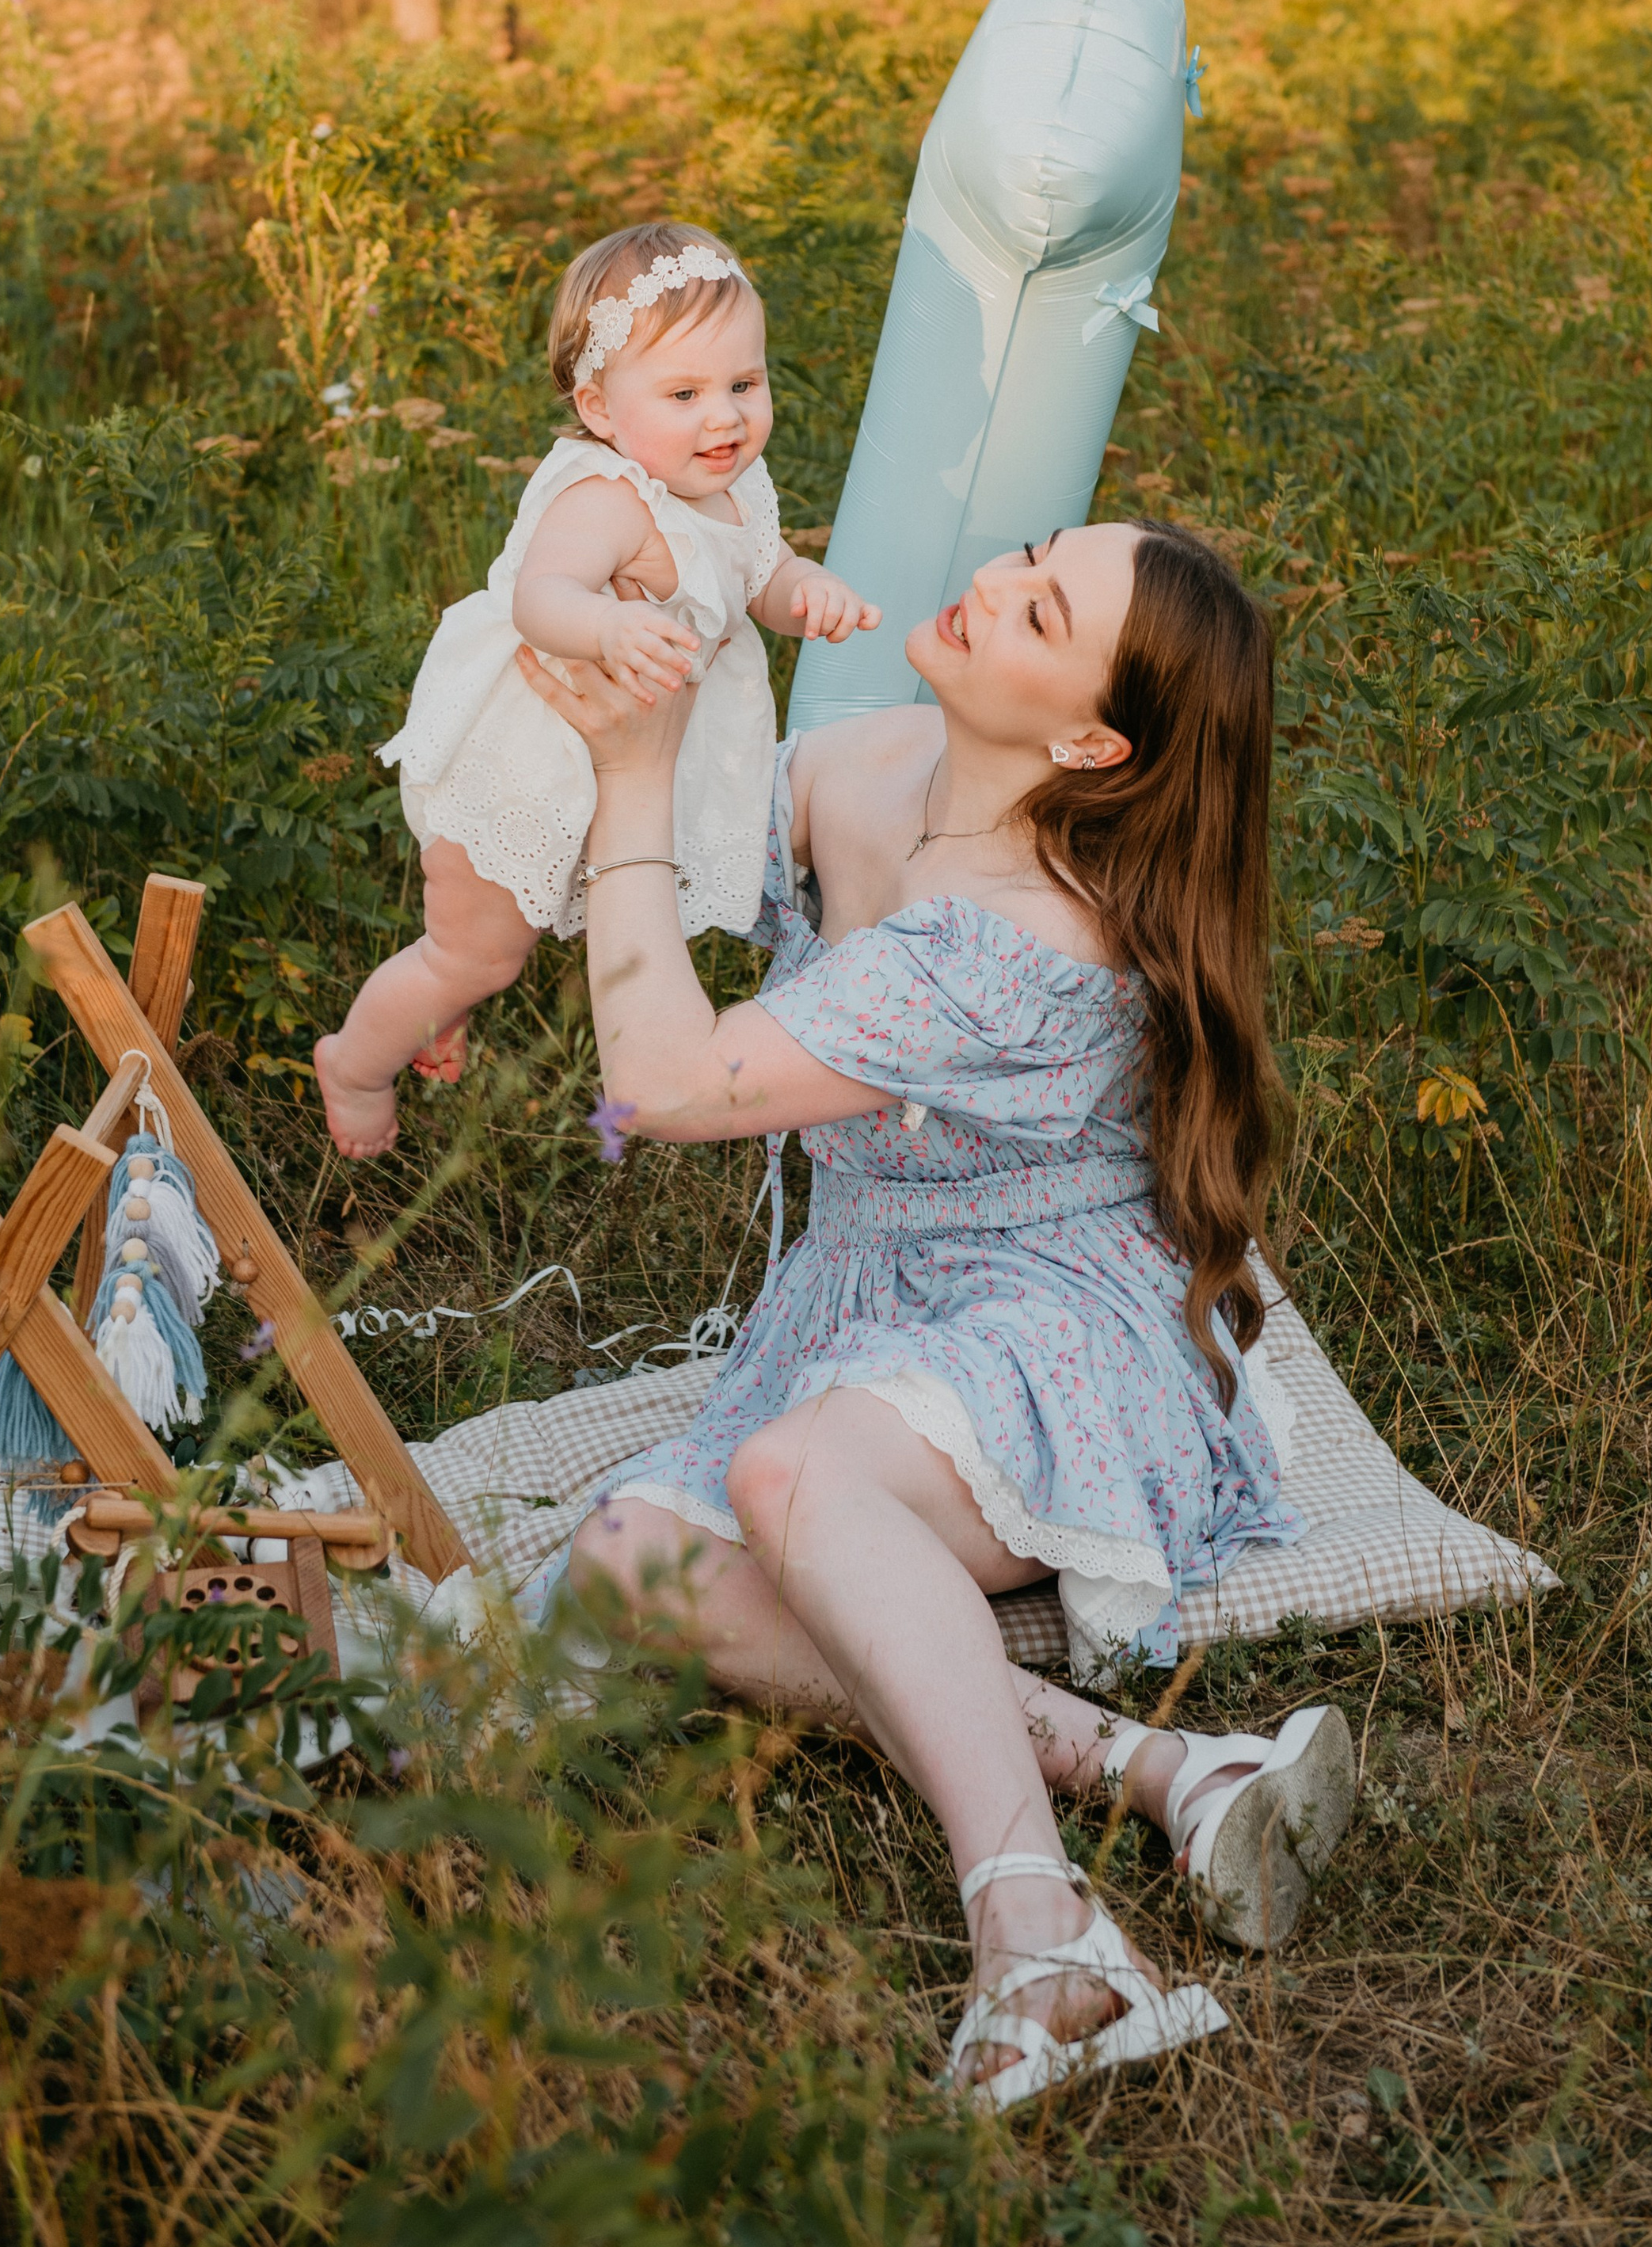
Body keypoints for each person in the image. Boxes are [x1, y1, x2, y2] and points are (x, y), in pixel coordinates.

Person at [518, 518, 1355, 2114]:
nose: (987, 581)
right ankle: (1165, 1767)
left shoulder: (1018, 938)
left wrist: (631, 783)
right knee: (628, 1565)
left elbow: (665, 1080)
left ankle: (1044, 1941)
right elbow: (670, 871)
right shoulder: (863, 762)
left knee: (792, 1482)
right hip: (866, 1299)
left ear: (1086, 741)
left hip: (1056, 1320)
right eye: (1028, 554)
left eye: (1039, 608)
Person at [315, 225, 879, 1157]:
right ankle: (356, 1063)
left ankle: (438, 1011)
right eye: (686, 394)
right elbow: (543, 598)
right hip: (526, 766)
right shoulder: (607, 497)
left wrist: (804, 589)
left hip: (619, 764)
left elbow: (759, 575)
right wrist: (606, 625)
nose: (725, 419)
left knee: (555, 921)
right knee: (476, 951)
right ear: (602, 409)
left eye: (745, 385)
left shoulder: (734, 486)